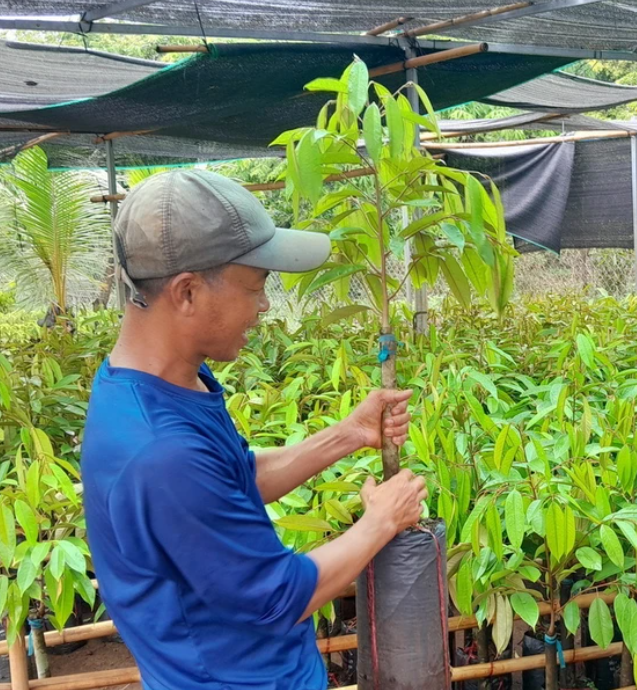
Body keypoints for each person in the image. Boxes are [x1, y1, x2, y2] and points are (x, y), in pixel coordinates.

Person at [81, 170, 427, 690]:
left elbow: (231, 479)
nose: (264, 306)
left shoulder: (168, 383)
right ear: (188, 292)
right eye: (256, 287)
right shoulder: (158, 451)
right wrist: (380, 522)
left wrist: (349, 433)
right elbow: (275, 598)